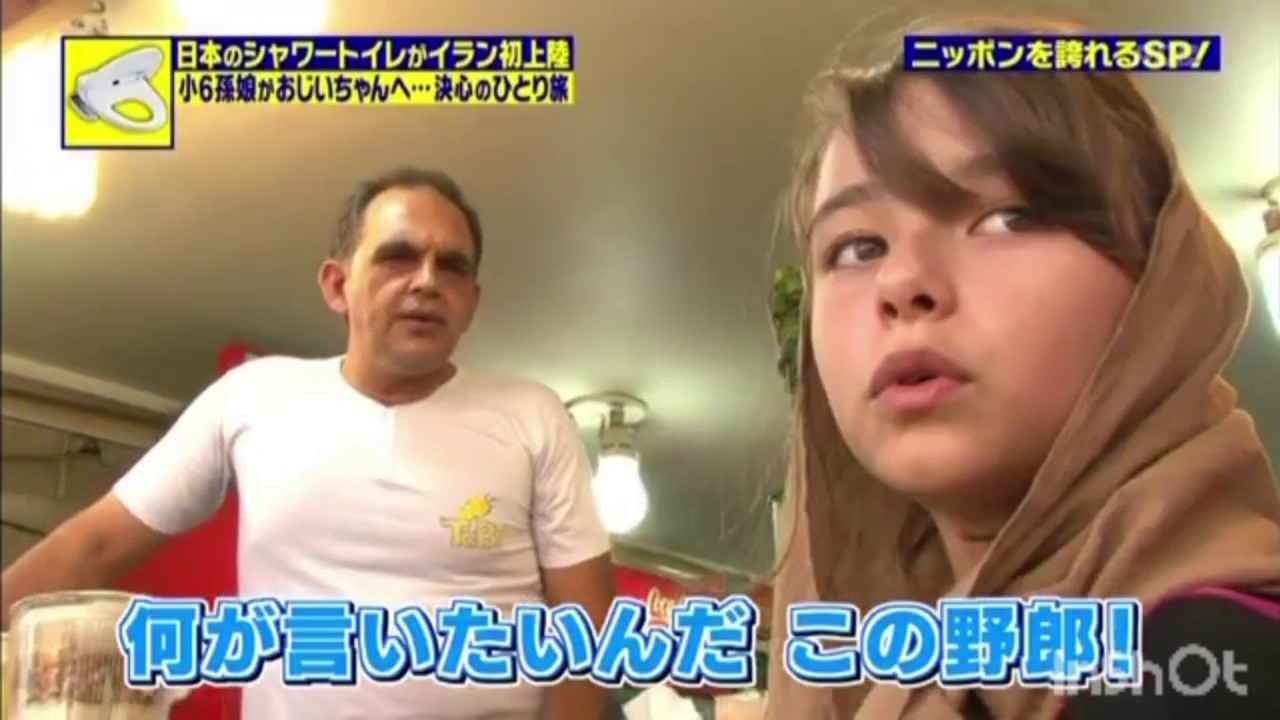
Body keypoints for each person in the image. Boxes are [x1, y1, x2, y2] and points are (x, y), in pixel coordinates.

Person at [765, 18, 1280, 720]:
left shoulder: (1217, 667)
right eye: (857, 248)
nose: (902, 283)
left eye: (1007, 218)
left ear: (1161, 283)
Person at [1, 167, 617, 720]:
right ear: (337, 284)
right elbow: (94, 545)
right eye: (398, 257)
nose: (428, 281)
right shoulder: (253, 397)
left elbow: (583, 632)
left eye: (452, 266)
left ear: (472, 302)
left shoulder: (532, 415)